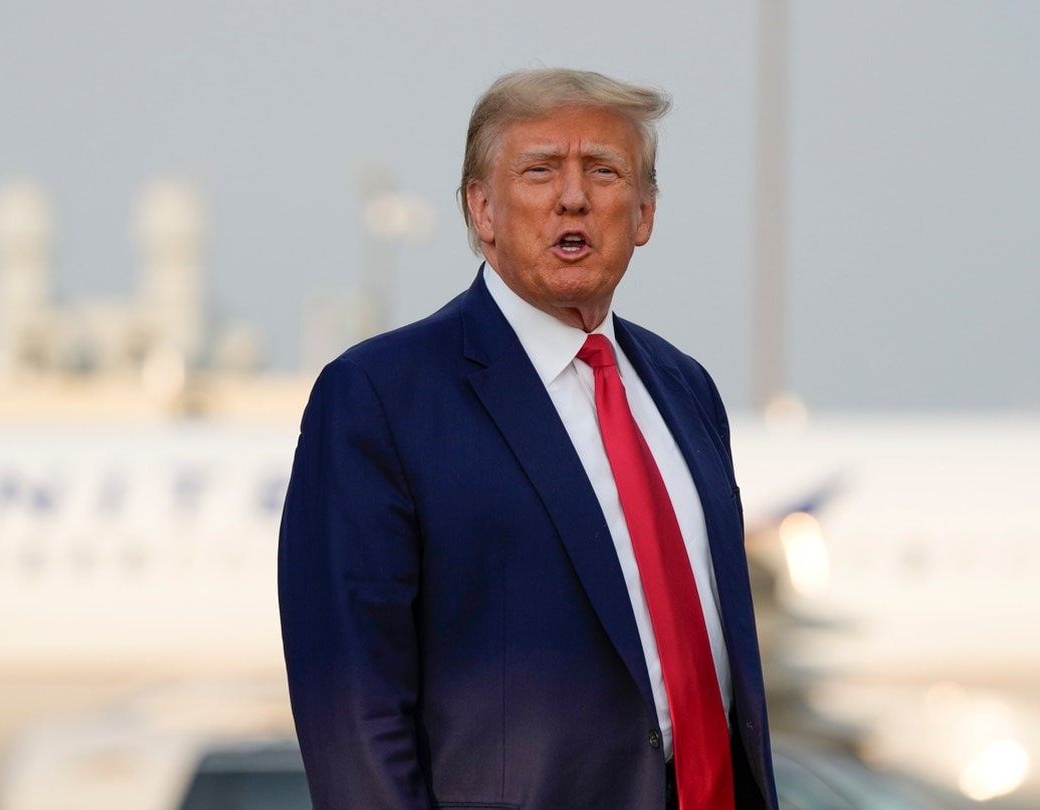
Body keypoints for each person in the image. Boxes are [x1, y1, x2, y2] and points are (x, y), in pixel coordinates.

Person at [278, 68, 777, 810]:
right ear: (481, 208)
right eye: (540, 170)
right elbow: (351, 708)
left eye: (603, 172)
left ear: (644, 214)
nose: (573, 197)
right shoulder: (380, 397)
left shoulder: (686, 390)